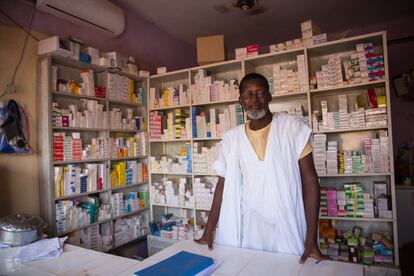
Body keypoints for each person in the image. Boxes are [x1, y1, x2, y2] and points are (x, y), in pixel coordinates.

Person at [195, 72, 322, 264]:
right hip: (250, 228)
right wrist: (209, 230)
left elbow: (310, 181)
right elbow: (223, 184)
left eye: (261, 93)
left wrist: (311, 240)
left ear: (269, 97)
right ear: (241, 101)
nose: (254, 99)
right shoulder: (232, 139)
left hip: (287, 224)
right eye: (248, 94)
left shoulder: (291, 127)